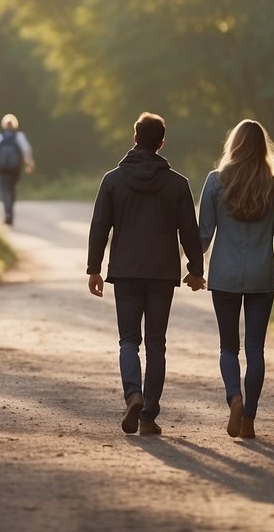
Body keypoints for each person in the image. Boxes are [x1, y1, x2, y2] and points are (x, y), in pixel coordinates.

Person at [87, 112, 205, 436]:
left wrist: (94, 269)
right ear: (161, 142)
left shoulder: (112, 180)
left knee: (128, 340)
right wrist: (196, 270)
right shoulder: (178, 184)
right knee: (156, 344)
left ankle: (132, 393)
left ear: (135, 138)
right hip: (162, 273)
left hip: (125, 272)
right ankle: (149, 416)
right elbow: (189, 232)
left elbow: (100, 227)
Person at [198, 119, 274, 439]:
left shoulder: (215, 181)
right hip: (261, 276)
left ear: (234, 145)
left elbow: (203, 234)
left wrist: (192, 268)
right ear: (262, 148)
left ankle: (234, 398)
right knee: (255, 351)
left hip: (224, 275)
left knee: (229, 347)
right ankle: (250, 419)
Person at [0, 113, 34, 225]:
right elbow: (26, 150)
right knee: (11, 190)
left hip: (1, 168)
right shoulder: (19, 136)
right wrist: (29, 163)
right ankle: (10, 212)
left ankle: (7, 212)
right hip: (14, 169)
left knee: (3, 190)